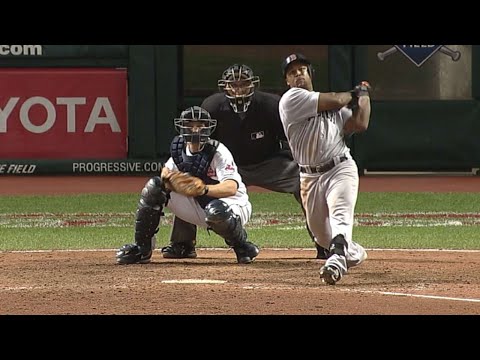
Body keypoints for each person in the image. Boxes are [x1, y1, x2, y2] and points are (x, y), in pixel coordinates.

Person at [161, 63, 330, 260]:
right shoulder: (212, 106)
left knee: (305, 182)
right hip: (227, 166)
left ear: (253, 85)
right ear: (225, 87)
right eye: (234, 85)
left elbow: (291, 137)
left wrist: (303, 161)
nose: (238, 89)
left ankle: (324, 242)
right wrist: (196, 169)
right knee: (188, 180)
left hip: (269, 163)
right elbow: (200, 141)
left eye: (243, 84)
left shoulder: (271, 105)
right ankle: (183, 243)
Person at [116, 106, 259, 265]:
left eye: (200, 125)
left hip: (233, 207)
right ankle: (142, 248)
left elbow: (231, 188)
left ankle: (242, 246)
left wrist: (204, 189)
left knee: (216, 211)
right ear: (182, 127)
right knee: (154, 187)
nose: (195, 129)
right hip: (198, 206)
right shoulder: (179, 149)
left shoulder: (218, 151)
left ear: (208, 127)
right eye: (190, 125)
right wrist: (172, 179)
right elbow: (166, 172)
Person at [278, 53, 371, 285]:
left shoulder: (331, 103)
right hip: (309, 177)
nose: (298, 74)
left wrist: (365, 96)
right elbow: (338, 100)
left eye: (302, 70)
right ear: (287, 81)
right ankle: (351, 252)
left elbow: (359, 123)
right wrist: (353, 93)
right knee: (321, 235)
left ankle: (337, 260)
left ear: (310, 74)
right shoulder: (291, 99)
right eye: (292, 72)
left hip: (340, 168)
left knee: (341, 212)